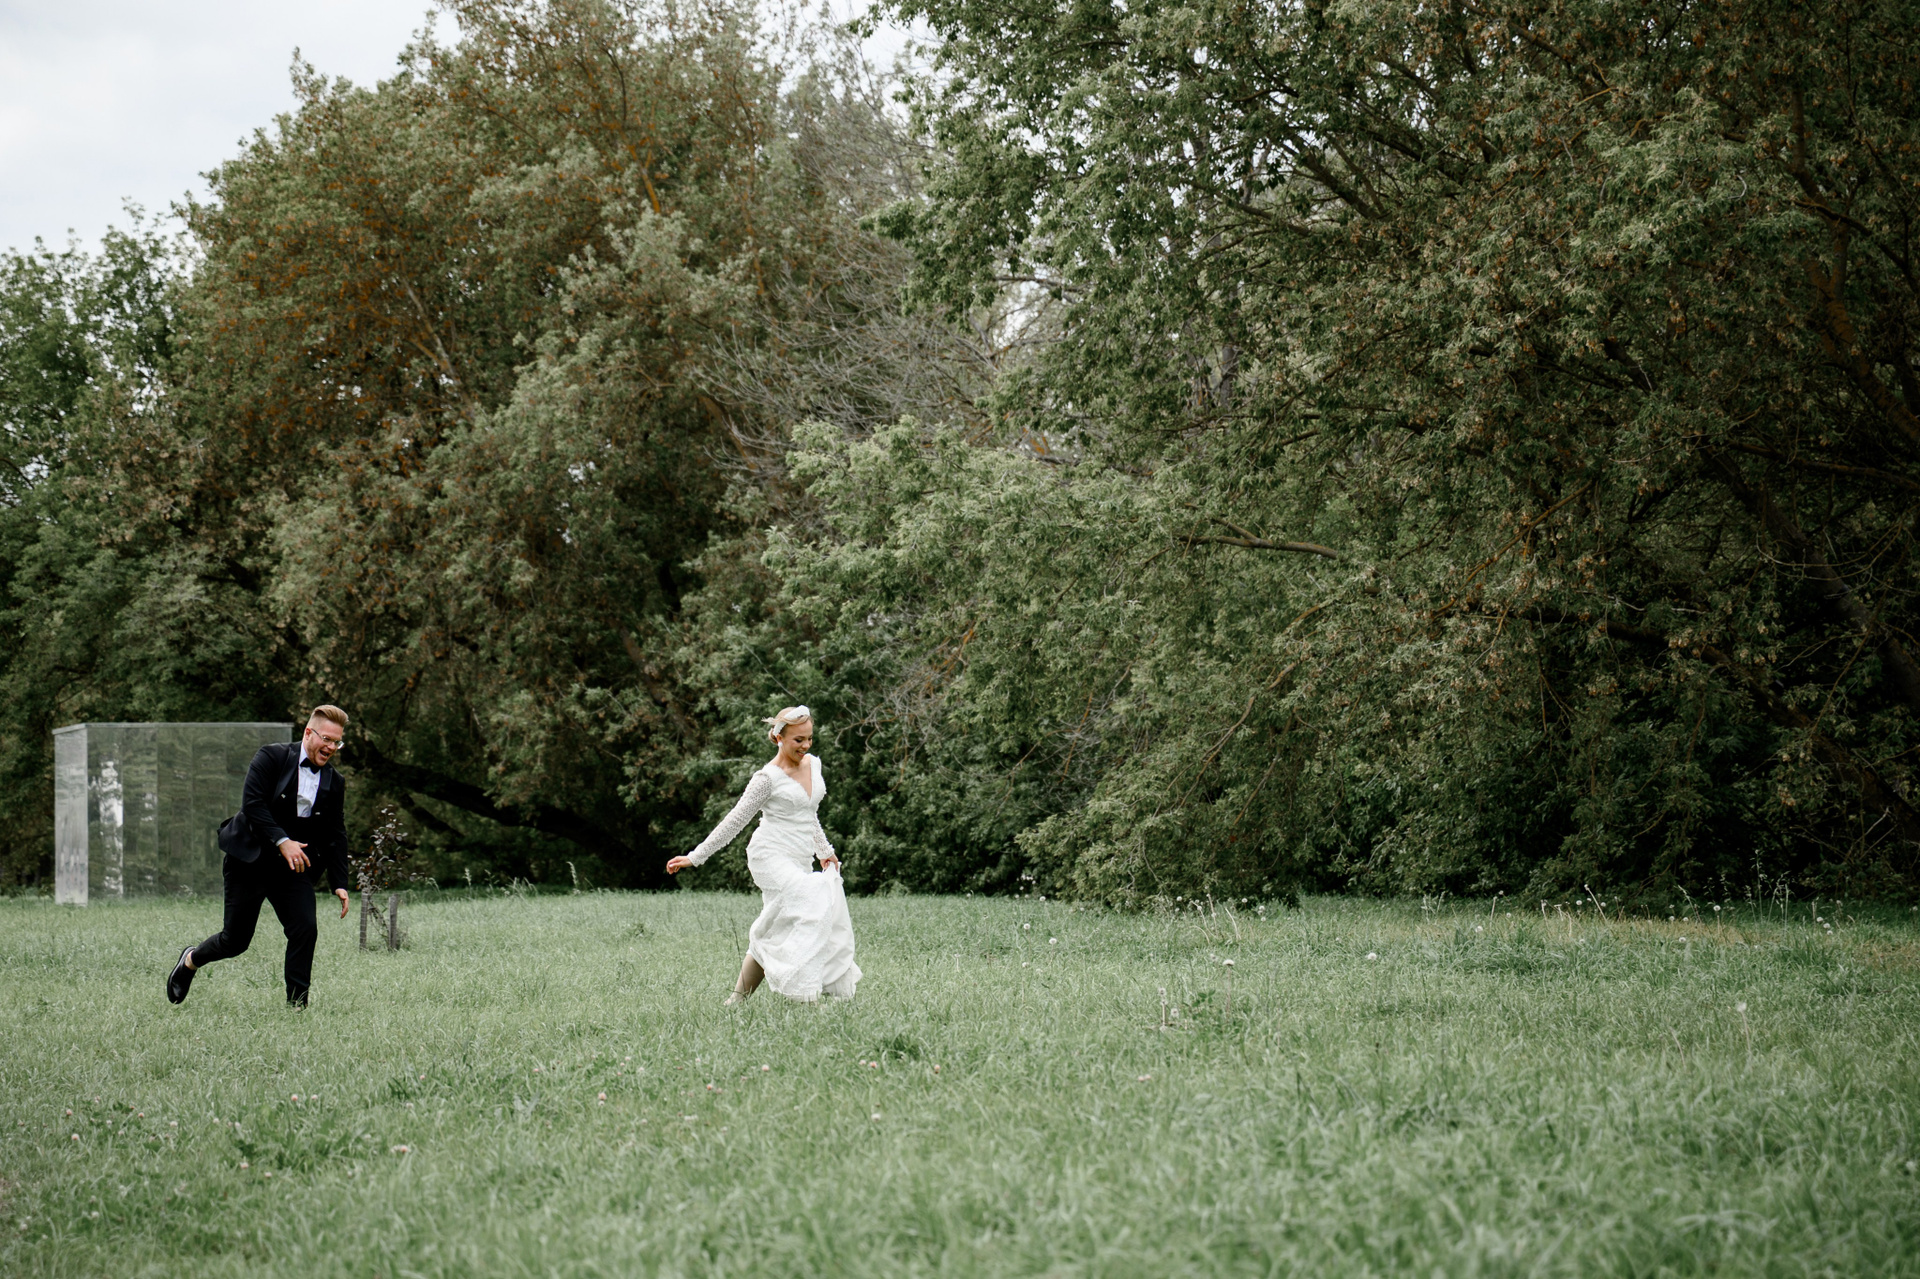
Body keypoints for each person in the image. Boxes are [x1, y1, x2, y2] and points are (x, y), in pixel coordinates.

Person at [667, 706, 861, 1003]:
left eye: (809, 738)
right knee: (812, 900)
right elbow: (735, 820)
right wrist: (696, 856)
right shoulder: (767, 778)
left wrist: (824, 851)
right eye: (798, 740)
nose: (806, 745)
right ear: (778, 738)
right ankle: (804, 994)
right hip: (769, 854)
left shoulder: (813, 765)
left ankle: (735, 1002)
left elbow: (808, 814)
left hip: (799, 857)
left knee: (775, 925)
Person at [166, 706, 354, 1008]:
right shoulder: (271, 756)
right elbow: (253, 804)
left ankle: (297, 1008)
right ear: (308, 733)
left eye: (337, 742)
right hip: (249, 861)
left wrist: (340, 882)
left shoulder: (335, 781)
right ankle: (190, 960)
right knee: (235, 941)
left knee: (305, 929)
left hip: (292, 868)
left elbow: (336, 831)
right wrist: (282, 841)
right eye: (327, 739)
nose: (331, 747)